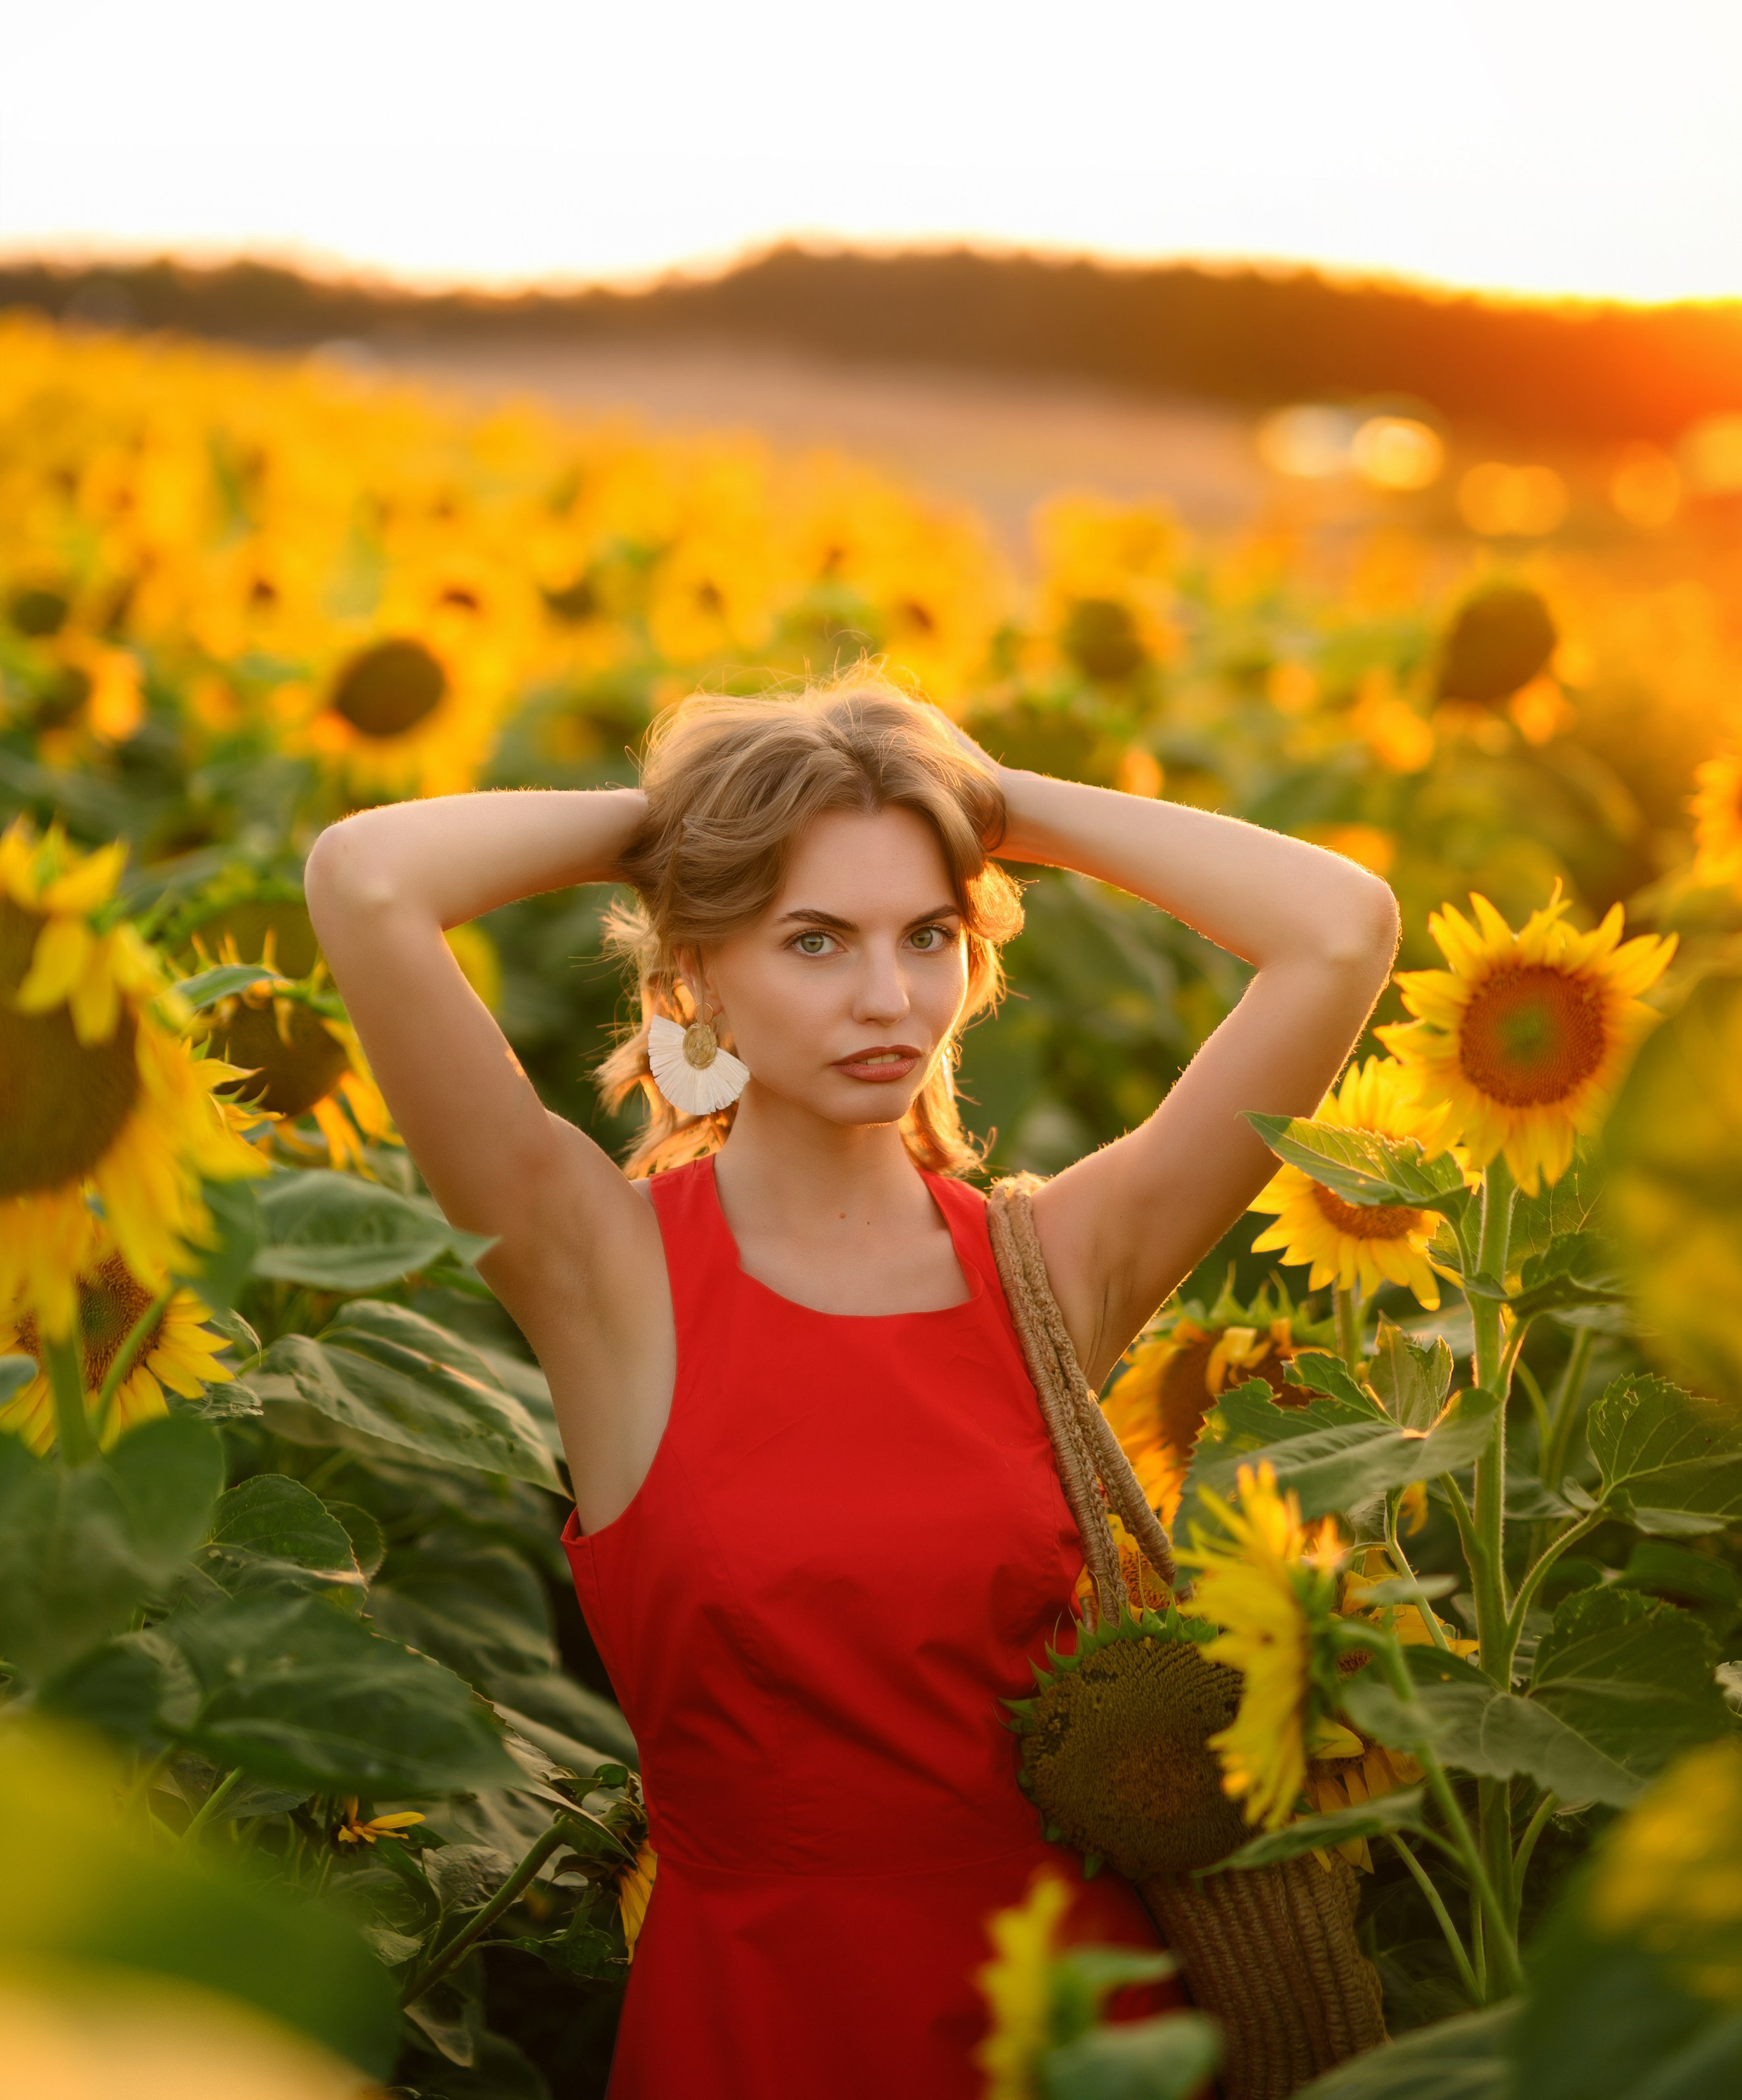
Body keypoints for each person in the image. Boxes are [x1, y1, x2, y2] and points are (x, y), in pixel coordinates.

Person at [305, 671, 1398, 2097]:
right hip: (761, 2025)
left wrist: (976, 805)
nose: (889, 998)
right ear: (697, 973)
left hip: (1078, 2029)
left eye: (927, 934)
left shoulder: (1052, 1266)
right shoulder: (604, 1276)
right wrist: (705, 822)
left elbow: (1338, 929)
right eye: (812, 939)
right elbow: (365, 877)